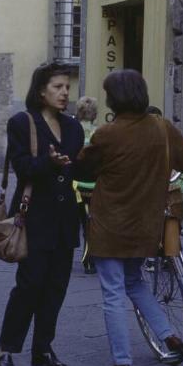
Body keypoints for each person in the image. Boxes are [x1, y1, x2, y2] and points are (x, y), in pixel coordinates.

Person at [76, 69, 183, 366]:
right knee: (135, 282)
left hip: (110, 226)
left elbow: (83, 166)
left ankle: (121, 363)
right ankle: (168, 336)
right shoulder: (162, 128)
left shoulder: (107, 134)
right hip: (145, 227)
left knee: (112, 293)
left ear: (115, 99)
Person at [0, 63, 85, 366]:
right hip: (33, 217)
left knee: (56, 286)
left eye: (67, 88)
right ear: (42, 90)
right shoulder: (23, 123)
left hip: (65, 219)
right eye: (58, 87)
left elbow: (80, 170)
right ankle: (6, 348)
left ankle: (43, 348)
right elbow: (23, 168)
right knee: (29, 285)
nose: (64, 93)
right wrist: (49, 162)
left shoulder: (74, 127)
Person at [74, 96, 98, 274]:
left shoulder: (72, 131)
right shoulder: (98, 133)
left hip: (74, 184)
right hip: (94, 185)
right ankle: (89, 260)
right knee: (89, 223)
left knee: (70, 221)